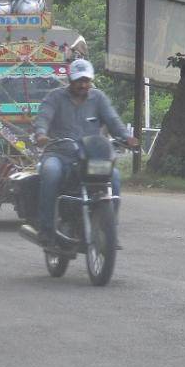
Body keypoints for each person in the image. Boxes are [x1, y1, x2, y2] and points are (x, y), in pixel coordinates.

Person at [32, 58, 138, 247]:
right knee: (50, 173)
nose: (83, 85)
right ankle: (46, 229)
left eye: (86, 80)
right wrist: (41, 134)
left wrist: (125, 137)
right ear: (70, 81)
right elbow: (44, 118)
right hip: (59, 153)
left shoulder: (98, 98)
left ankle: (109, 230)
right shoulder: (55, 97)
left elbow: (113, 121)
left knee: (113, 177)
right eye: (79, 81)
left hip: (90, 157)